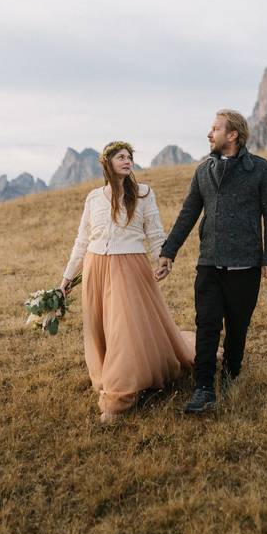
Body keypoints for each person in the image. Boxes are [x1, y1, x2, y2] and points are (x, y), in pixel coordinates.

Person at [156, 109, 267, 414]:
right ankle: (203, 388)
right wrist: (168, 252)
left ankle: (231, 374)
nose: (209, 133)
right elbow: (188, 213)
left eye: (215, 129)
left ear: (233, 135)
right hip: (209, 262)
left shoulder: (261, 170)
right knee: (207, 324)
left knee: (237, 327)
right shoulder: (204, 171)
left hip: (246, 264)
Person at [61, 141, 195, 423]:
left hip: (130, 267)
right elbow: (82, 240)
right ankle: (111, 375)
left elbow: (155, 232)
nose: (127, 160)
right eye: (120, 157)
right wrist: (67, 277)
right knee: (104, 328)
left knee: (124, 327)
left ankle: (119, 397)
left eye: (130, 157)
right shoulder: (94, 198)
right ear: (107, 163)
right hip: (96, 266)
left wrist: (163, 259)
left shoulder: (144, 193)